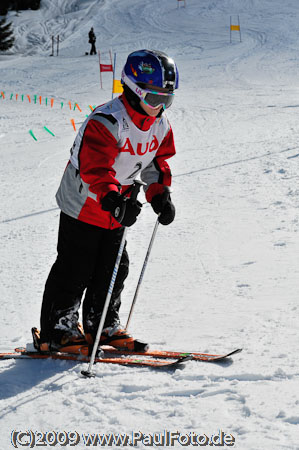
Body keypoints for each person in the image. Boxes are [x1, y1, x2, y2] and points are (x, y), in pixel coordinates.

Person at [34, 49, 179, 354]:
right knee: (76, 266)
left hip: (118, 202)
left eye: (167, 100)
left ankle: (103, 324)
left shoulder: (160, 126)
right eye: (155, 100)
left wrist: (158, 194)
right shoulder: (108, 121)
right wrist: (113, 199)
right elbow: (95, 169)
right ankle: (59, 328)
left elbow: (156, 163)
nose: (160, 108)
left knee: (114, 266)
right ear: (135, 90)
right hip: (86, 198)